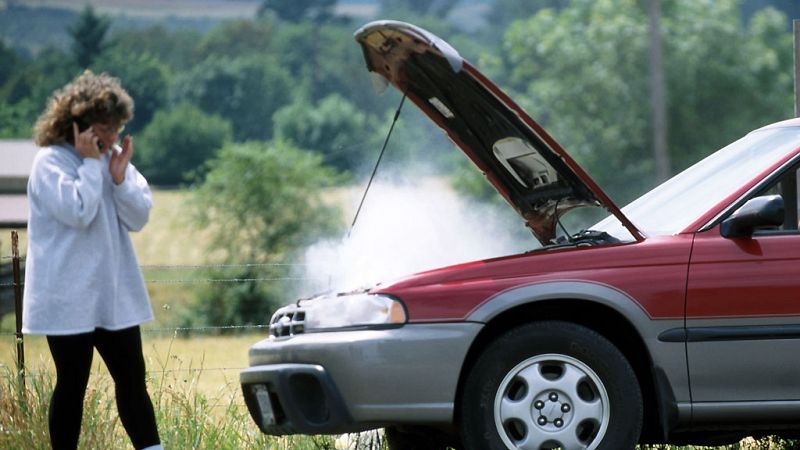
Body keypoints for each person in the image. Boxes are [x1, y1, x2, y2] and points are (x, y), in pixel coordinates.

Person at [22, 70, 163, 450]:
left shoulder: (110, 159)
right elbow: (78, 211)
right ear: (78, 123)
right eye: (105, 127)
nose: (113, 137)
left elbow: (139, 217)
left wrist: (118, 181)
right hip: (66, 295)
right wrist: (89, 164)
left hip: (111, 292)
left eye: (117, 128)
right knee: (72, 383)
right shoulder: (50, 163)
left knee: (133, 379)